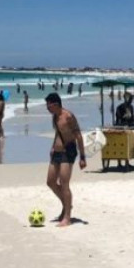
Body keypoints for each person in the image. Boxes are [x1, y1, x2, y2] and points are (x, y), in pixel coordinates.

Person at [45, 92, 86, 227]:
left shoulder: (68, 116)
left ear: (56, 104)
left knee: (64, 183)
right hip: (56, 152)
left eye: (49, 105)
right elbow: (59, 132)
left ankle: (67, 217)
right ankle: (66, 204)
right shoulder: (54, 117)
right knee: (50, 181)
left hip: (68, 152)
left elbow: (78, 135)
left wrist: (82, 157)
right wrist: (52, 146)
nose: (47, 108)